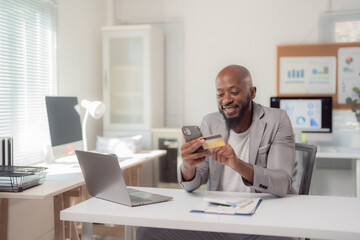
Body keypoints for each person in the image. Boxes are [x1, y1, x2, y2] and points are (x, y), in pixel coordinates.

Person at [137, 65, 296, 240]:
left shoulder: (277, 120)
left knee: (284, 237)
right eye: (220, 94)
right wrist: (189, 166)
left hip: (261, 219)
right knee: (147, 231)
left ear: (252, 92)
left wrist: (237, 164)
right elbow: (193, 184)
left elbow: (282, 183)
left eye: (234, 92)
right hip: (217, 217)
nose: (226, 100)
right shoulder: (210, 122)